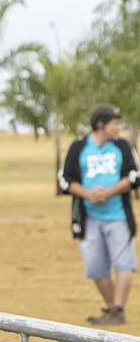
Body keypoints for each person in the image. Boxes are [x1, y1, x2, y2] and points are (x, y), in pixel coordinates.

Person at [60, 105, 140, 326]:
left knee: (124, 264)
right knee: (96, 268)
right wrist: (87, 193)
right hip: (89, 219)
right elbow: (65, 180)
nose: (120, 127)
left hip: (118, 217)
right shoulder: (78, 148)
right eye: (116, 123)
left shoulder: (123, 146)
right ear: (101, 125)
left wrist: (109, 192)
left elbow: (134, 177)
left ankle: (118, 310)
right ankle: (113, 309)